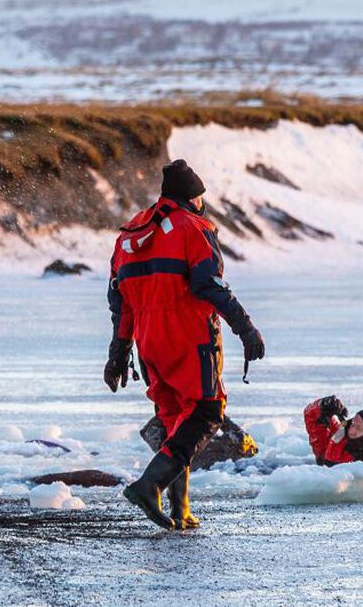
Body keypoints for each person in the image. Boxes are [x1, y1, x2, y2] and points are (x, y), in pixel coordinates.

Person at [104, 158, 266, 530]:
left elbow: (120, 303)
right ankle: (149, 485)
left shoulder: (128, 236)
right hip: (188, 335)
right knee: (208, 412)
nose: (202, 203)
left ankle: (180, 509)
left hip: (148, 341)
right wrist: (246, 328)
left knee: (176, 418)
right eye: (200, 197)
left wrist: (118, 354)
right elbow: (208, 285)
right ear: (192, 196)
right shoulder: (194, 228)